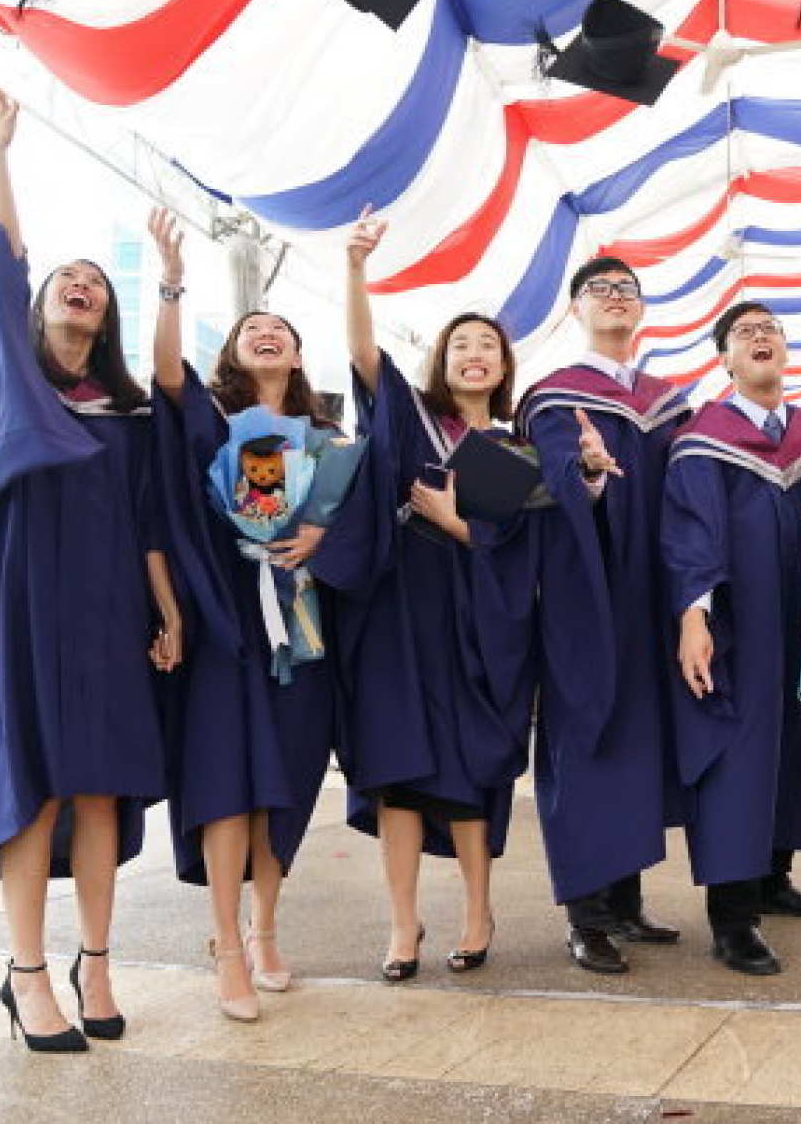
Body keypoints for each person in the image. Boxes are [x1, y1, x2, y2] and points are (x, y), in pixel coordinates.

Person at [0, 77, 186, 1053]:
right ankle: (26, 972)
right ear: (40, 303)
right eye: (62, 277)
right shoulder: (13, 384)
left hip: (103, 607)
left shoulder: (123, 410)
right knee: (33, 784)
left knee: (99, 785)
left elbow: (149, 521)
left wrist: (166, 612)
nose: (79, 283)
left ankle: (96, 962)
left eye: (96, 278)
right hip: (16, 603)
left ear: (108, 312)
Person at [147, 211, 358, 1023]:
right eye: (251, 329)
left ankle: (267, 929)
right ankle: (226, 944)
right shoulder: (213, 422)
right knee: (228, 784)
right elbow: (167, 376)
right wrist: (171, 278)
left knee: (287, 787)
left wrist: (314, 538)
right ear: (231, 353)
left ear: (300, 354)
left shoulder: (330, 440)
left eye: (280, 329)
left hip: (302, 633)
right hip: (231, 624)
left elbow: (355, 526)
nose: (267, 335)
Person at [335, 211, 547, 982]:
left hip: (482, 628)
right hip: (400, 616)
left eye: (487, 344)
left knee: (464, 777)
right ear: (440, 360)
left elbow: (528, 553)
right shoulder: (409, 416)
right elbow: (361, 352)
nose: (474, 353)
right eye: (461, 342)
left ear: (503, 365)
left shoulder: (522, 445)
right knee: (397, 771)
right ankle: (402, 925)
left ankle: (477, 912)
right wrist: (356, 266)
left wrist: (459, 525)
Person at [517, 256, 688, 975]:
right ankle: (584, 916)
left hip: (650, 598)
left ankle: (625, 899)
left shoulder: (666, 400)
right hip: (585, 597)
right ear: (576, 309)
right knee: (586, 743)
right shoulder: (556, 399)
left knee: (637, 744)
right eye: (601, 290)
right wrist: (588, 472)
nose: (616, 300)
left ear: (642, 311)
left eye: (627, 291)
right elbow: (551, 491)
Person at [662, 301, 801, 977]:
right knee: (737, 758)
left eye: (771, 329)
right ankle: (732, 918)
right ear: (725, 360)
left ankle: (774, 876)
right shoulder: (704, 438)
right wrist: (694, 616)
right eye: (745, 333)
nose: (761, 338)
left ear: (787, 351)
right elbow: (689, 531)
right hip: (738, 625)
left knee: (797, 742)